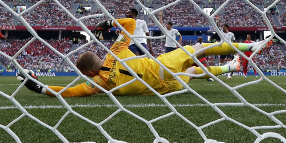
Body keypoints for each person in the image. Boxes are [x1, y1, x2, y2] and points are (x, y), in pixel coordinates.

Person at [19, 16, 265, 98]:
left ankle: (231, 67)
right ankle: (248, 46)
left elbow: (68, 92)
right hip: (162, 66)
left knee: (191, 72)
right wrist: (108, 23)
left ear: (89, 73)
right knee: (200, 49)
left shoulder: (100, 83)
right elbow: (131, 23)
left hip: (166, 88)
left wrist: (37, 86)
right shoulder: (115, 51)